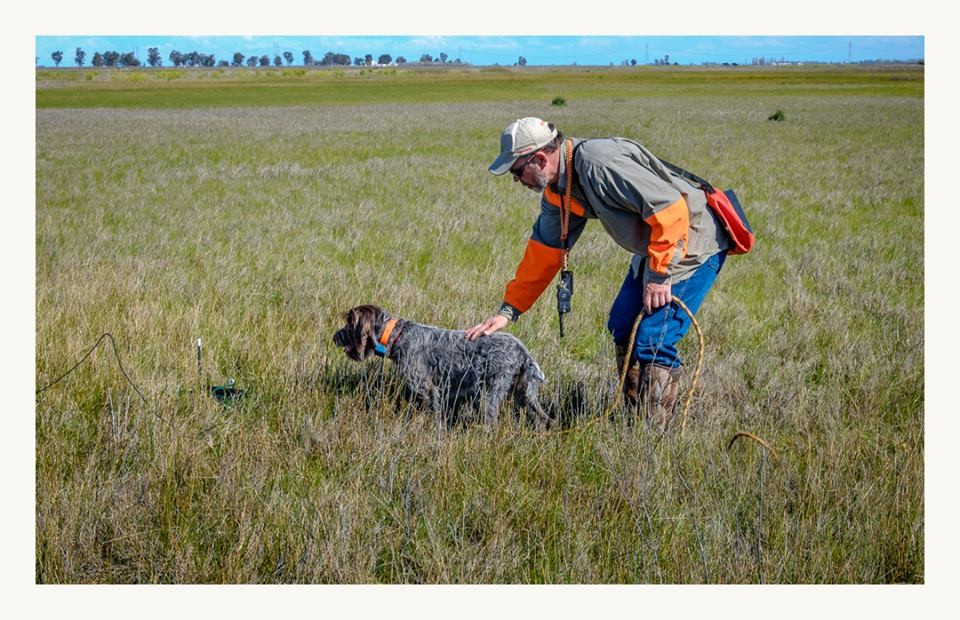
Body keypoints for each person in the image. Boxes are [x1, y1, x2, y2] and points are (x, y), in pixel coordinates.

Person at [464, 117, 732, 427]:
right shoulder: (559, 190)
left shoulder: (600, 165)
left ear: (539, 158)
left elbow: (670, 211)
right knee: (621, 324)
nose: (516, 179)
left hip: (693, 242)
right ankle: (634, 417)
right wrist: (509, 311)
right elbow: (544, 253)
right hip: (657, 248)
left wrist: (659, 276)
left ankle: (656, 436)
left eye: (516, 170)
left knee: (652, 339)